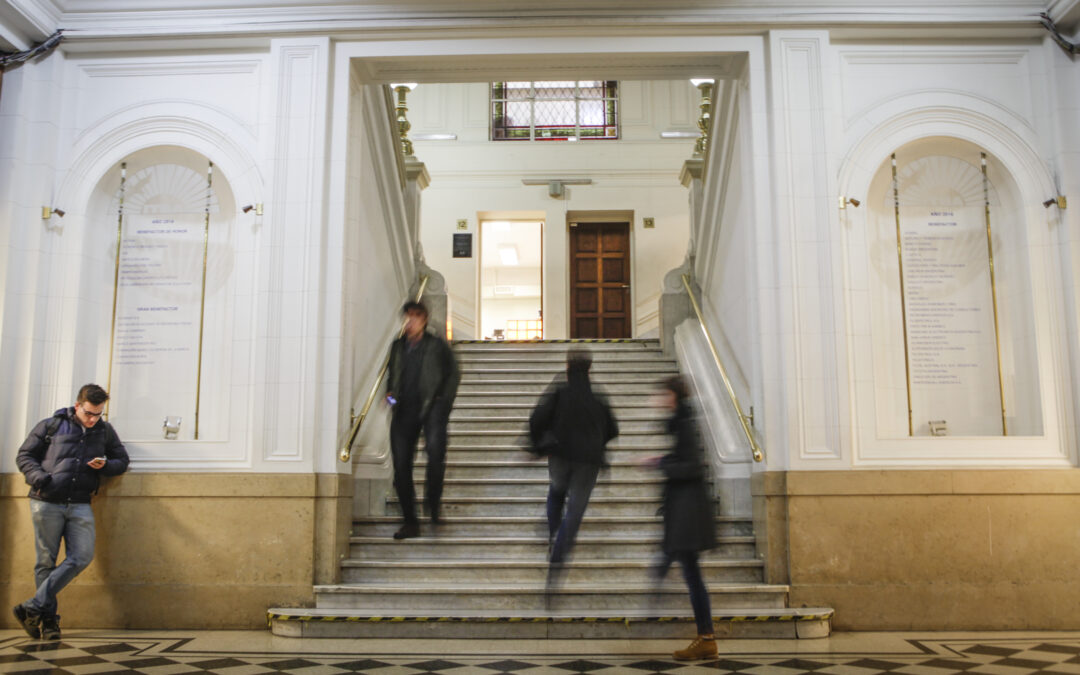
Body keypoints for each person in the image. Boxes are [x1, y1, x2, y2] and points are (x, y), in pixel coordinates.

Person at [13, 383, 129, 641]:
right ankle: (49, 623)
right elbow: (24, 456)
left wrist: (106, 465)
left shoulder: (104, 431)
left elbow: (122, 461)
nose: (92, 419)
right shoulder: (51, 425)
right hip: (46, 501)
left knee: (82, 556)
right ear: (78, 405)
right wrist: (39, 477)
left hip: (80, 503)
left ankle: (32, 606)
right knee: (45, 561)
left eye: (98, 414)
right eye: (88, 413)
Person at [644, 376, 718, 661]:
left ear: (673, 396)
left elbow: (692, 467)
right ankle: (706, 636)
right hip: (684, 510)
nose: (659, 399)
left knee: (691, 574)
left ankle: (707, 637)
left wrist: (660, 462)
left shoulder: (684, 424)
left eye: (663, 394)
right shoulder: (680, 422)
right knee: (689, 571)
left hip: (687, 513)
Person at [529, 348, 618, 580]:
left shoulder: (559, 390)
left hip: (559, 455)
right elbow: (613, 429)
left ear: (568, 367)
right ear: (590, 369)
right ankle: (558, 558)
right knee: (575, 511)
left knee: (557, 491)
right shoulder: (598, 396)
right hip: (588, 462)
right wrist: (597, 442)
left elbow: (537, 418)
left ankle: (552, 533)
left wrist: (538, 446)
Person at [386, 301, 460, 540]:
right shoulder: (397, 347)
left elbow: (454, 373)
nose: (411, 321)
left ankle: (434, 503)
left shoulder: (437, 345)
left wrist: (443, 402)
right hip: (403, 410)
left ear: (425, 319)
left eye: (416, 317)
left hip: (432, 408)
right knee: (400, 467)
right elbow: (393, 374)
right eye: (407, 316)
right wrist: (390, 394)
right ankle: (410, 521)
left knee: (436, 456)